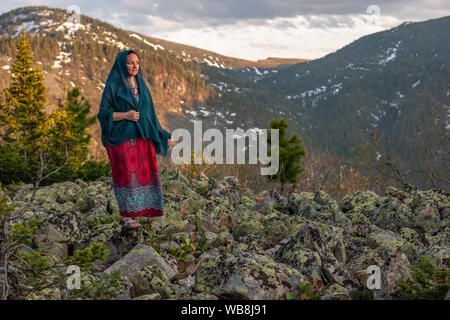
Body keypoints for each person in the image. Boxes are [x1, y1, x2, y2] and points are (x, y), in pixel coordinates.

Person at [97, 49, 171, 230]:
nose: (135, 65)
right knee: (126, 176)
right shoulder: (113, 85)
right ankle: (128, 216)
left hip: (142, 137)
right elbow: (103, 114)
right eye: (130, 62)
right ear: (122, 64)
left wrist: (159, 132)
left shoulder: (141, 84)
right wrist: (125, 115)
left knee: (144, 174)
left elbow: (149, 112)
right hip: (121, 139)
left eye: (137, 62)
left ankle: (143, 210)